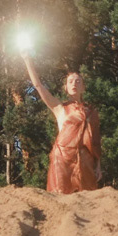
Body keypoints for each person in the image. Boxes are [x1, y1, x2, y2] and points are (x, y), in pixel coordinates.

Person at [22, 52, 102, 193]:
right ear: (65, 87)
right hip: (62, 159)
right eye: (70, 81)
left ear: (83, 87)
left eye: (78, 81)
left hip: (86, 160)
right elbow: (38, 85)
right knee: (60, 197)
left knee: (88, 200)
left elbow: (95, 141)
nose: (74, 84)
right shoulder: (60, 108)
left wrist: (98, 165)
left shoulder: (91, 112)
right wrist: (27, 60)